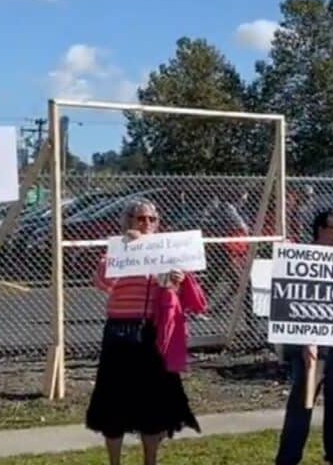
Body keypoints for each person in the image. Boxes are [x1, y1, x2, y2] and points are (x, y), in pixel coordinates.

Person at [86, 199, 207, 465]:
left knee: (153, 405)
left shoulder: (165, 253)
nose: (147, 224)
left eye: (152, 219)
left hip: (152, 334)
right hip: (120, 332)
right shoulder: (117, 251)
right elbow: (102, 282)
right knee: (113, 402)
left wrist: (176, 281)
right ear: (128, 221)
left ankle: (150, 460)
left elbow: (174, 297)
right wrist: (126, 250)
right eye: (140, 219)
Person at [275, 209, 333, 465]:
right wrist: (303, 342)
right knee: (302, 405)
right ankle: (288, 460)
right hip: (309, 350)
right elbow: (289, 304)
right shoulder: (299, 259)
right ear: (321, 230)